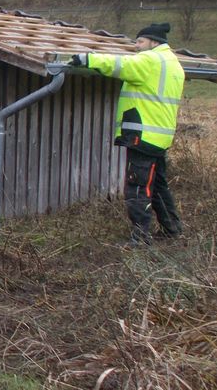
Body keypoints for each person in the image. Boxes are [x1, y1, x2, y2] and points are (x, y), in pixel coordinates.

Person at [70, 22, 185, 246]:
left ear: (154, 42)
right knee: (158, 185)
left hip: (143, 135)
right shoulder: (174, 64)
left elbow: (120, 64)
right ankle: (171, 229)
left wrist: (88, 59)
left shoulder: (151, 60)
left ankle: (140, 238)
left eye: (140, 41)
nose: (136, 46)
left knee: (138, 186)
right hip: (160, 137)